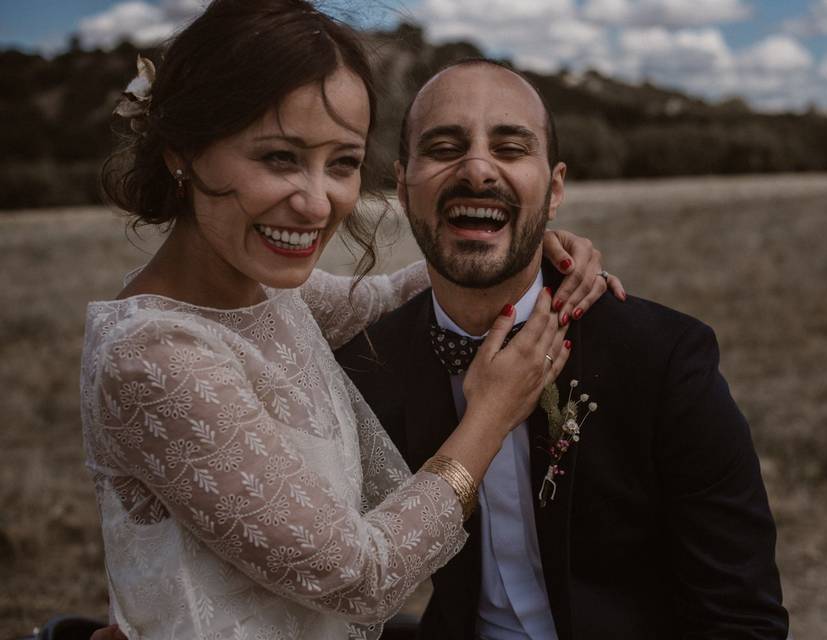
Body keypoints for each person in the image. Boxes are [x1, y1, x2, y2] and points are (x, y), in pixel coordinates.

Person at [80, 3, 617, 639]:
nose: (317, 202)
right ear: (184, 155)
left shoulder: (266, 296)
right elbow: (363, 576)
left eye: (342, 163)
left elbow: (387, 294)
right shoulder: (155, 355)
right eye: (280, 157)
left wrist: (527, 243)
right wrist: (490, 416)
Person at [335, 59, 790, 639]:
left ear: (553, 192)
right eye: (446, 147)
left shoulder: (665, 360)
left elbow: (743, 620)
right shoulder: (366, 365)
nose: (477, 169)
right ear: (402, 188)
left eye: (510, 147)